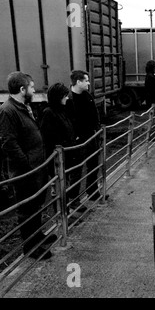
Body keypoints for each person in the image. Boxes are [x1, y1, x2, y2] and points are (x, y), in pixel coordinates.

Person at [0, 71, 57, 260]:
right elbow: (8, 142)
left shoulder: (22, 107)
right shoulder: (8, 111)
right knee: (27, 210)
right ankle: (31, 248)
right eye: (32, 87)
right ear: (22, 89)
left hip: (35, 168)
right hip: (25, 172)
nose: (34, 90)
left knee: (37, 205)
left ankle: (38, 236)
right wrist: (26, 164)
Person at [39, 83, 87, 213]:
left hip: (66, 156)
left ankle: (65, 214)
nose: (67, 99)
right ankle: (62, 217)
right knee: (60, 189)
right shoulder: (48, 113)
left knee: (64, 187)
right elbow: (49, 140)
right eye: (64, 96)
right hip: (57, 160)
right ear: (58, 97)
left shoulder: (61, 110)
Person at [66, 70, 106, 202]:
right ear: (78, 82)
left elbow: (95, 115)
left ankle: (92, 191)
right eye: (86, 80)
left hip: (91, 136)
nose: (89, 83)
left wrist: (97, 130)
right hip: (78, 140)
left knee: (93, 164)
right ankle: (74, 198)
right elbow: (67, 121)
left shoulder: (87, 95)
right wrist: (74, 137)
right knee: (77, 169)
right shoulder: (68, 100)